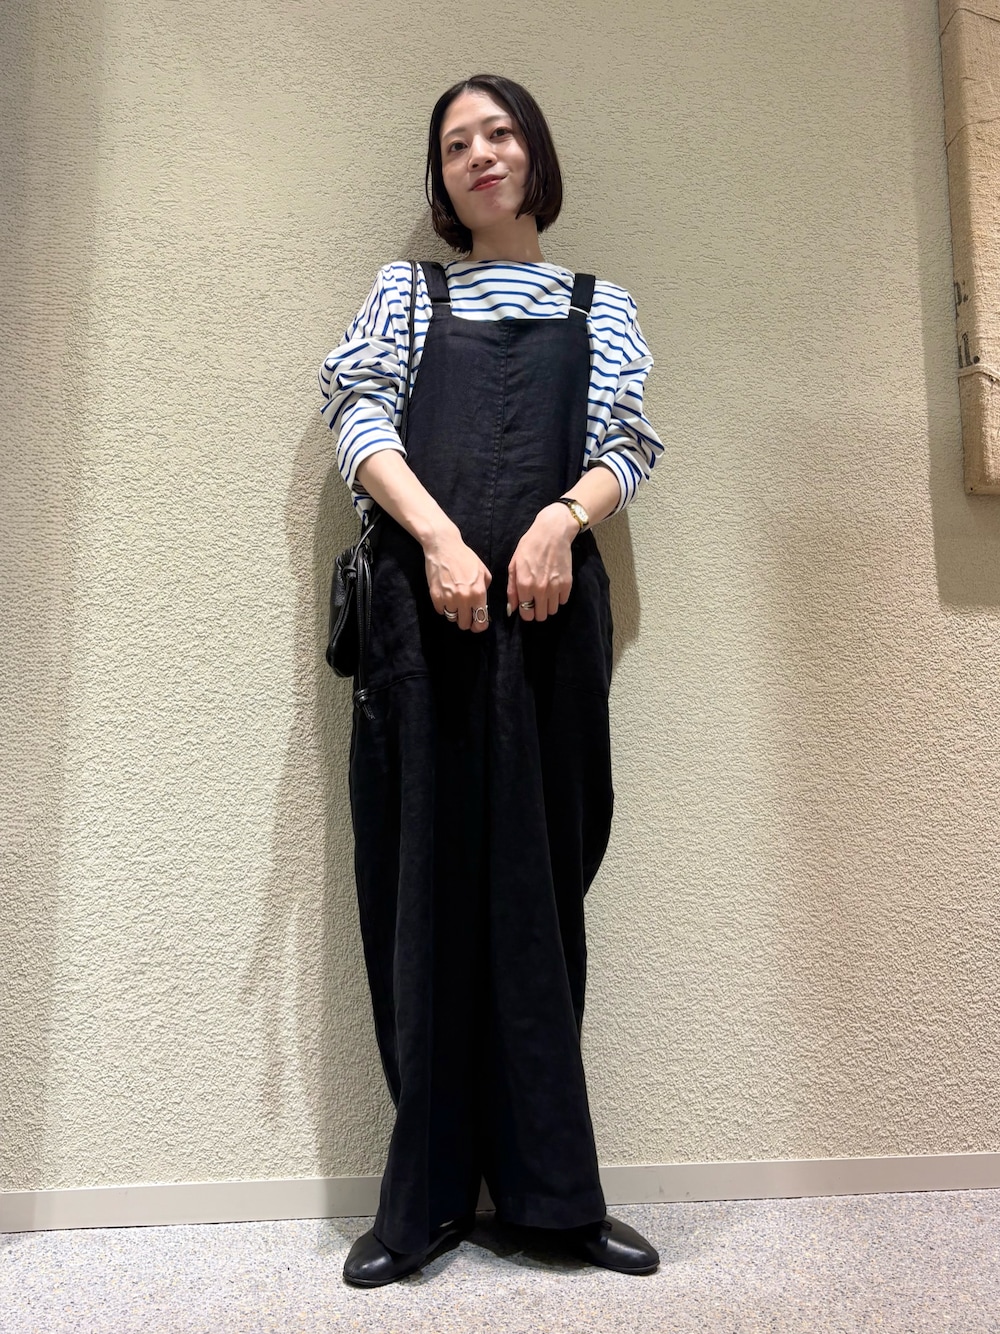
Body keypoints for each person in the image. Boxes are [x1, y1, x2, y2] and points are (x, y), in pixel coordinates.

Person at [319, 74, 664, 1288]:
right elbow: (357, 414)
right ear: (443, 177)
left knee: (541, 898)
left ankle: (553, 1199)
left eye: (500, 132)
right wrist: (440, 538)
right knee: (415, 894)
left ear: (535, 155)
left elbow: (627, 443)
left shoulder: (600, 305)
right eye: (457, 142)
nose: (480, 154)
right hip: (419, 631)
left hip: (552, 627)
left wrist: (559, 522)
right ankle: (420, 1203)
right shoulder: (405, 293)